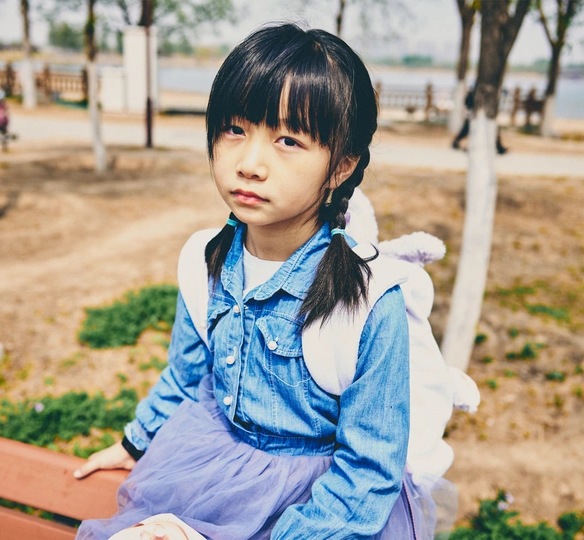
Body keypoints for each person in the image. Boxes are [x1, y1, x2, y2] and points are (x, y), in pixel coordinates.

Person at [73, 23, 430, 540]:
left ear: (342, 166)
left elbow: (369, 469)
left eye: (288, 140)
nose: (250, 164)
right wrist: (134, 443)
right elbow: (187, 378)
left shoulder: (367, 302)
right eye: (235, 130)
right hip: (205, 471)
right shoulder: (205, 262)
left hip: (316, 511)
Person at [452, 86, 508, 154]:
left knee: (492, 131)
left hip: (480, 116)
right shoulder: (475, 93)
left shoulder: (478, 92)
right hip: (475, 116)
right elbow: (467, 103)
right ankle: (499, 147)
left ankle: (499, 147)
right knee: (467, 130)